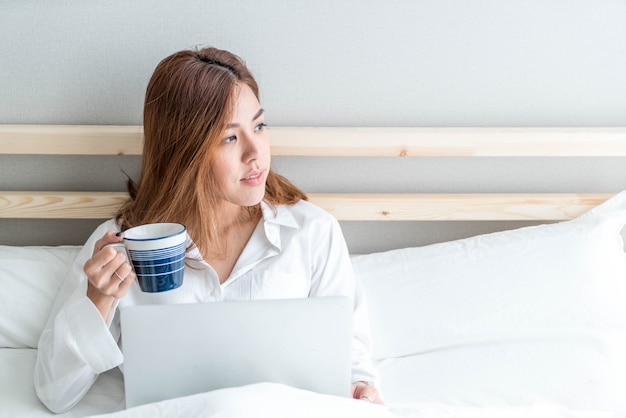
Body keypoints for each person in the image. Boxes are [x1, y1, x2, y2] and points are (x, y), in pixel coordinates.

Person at [34, 46, 383, 413]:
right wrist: (97, 301)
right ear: (184, 152)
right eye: (229, 137)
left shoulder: (311, 233)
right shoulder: (121, 247)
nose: (256, 153)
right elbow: (54, 393)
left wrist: (360, 386)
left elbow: (351, 356)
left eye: (259, 126)